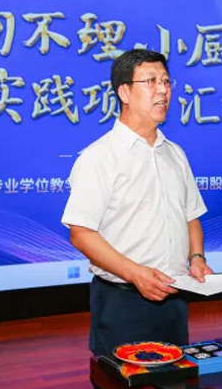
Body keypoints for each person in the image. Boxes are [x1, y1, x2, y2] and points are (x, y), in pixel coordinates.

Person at [61, 48, 213, 359]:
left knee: (175, 377)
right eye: (151, 81)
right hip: (123, 302)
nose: (163, 90)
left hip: (175, 299)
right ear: (125, 92)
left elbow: (191, 217)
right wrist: (135, 274)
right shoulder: (99, 157)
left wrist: (196, 258)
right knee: (124, 379)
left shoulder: (175, 154)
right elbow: (81, 233)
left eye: (166, 81)